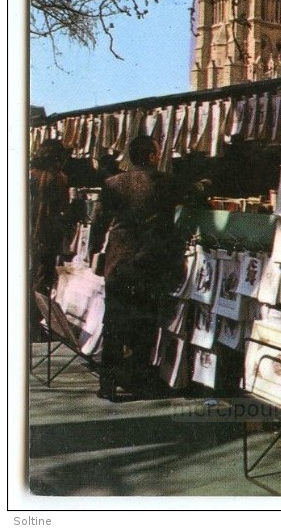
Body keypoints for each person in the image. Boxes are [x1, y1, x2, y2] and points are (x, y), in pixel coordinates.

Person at [96, 135, 184, 401]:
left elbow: (99, 220)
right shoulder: (164, 182)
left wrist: (97, 251)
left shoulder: (112, 183)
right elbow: (190, 195)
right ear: (153, 156)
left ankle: (107, 385)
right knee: (144, 325)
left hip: (118, 262)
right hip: (147, 262)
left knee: (113, 323)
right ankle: (138, 381)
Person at [29, 139, 71, 336]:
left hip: (26, 233)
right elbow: (62, 209)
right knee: (42, 278)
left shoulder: (30, 176)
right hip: (47, 235)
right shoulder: (59, 178)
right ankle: (34, 323)